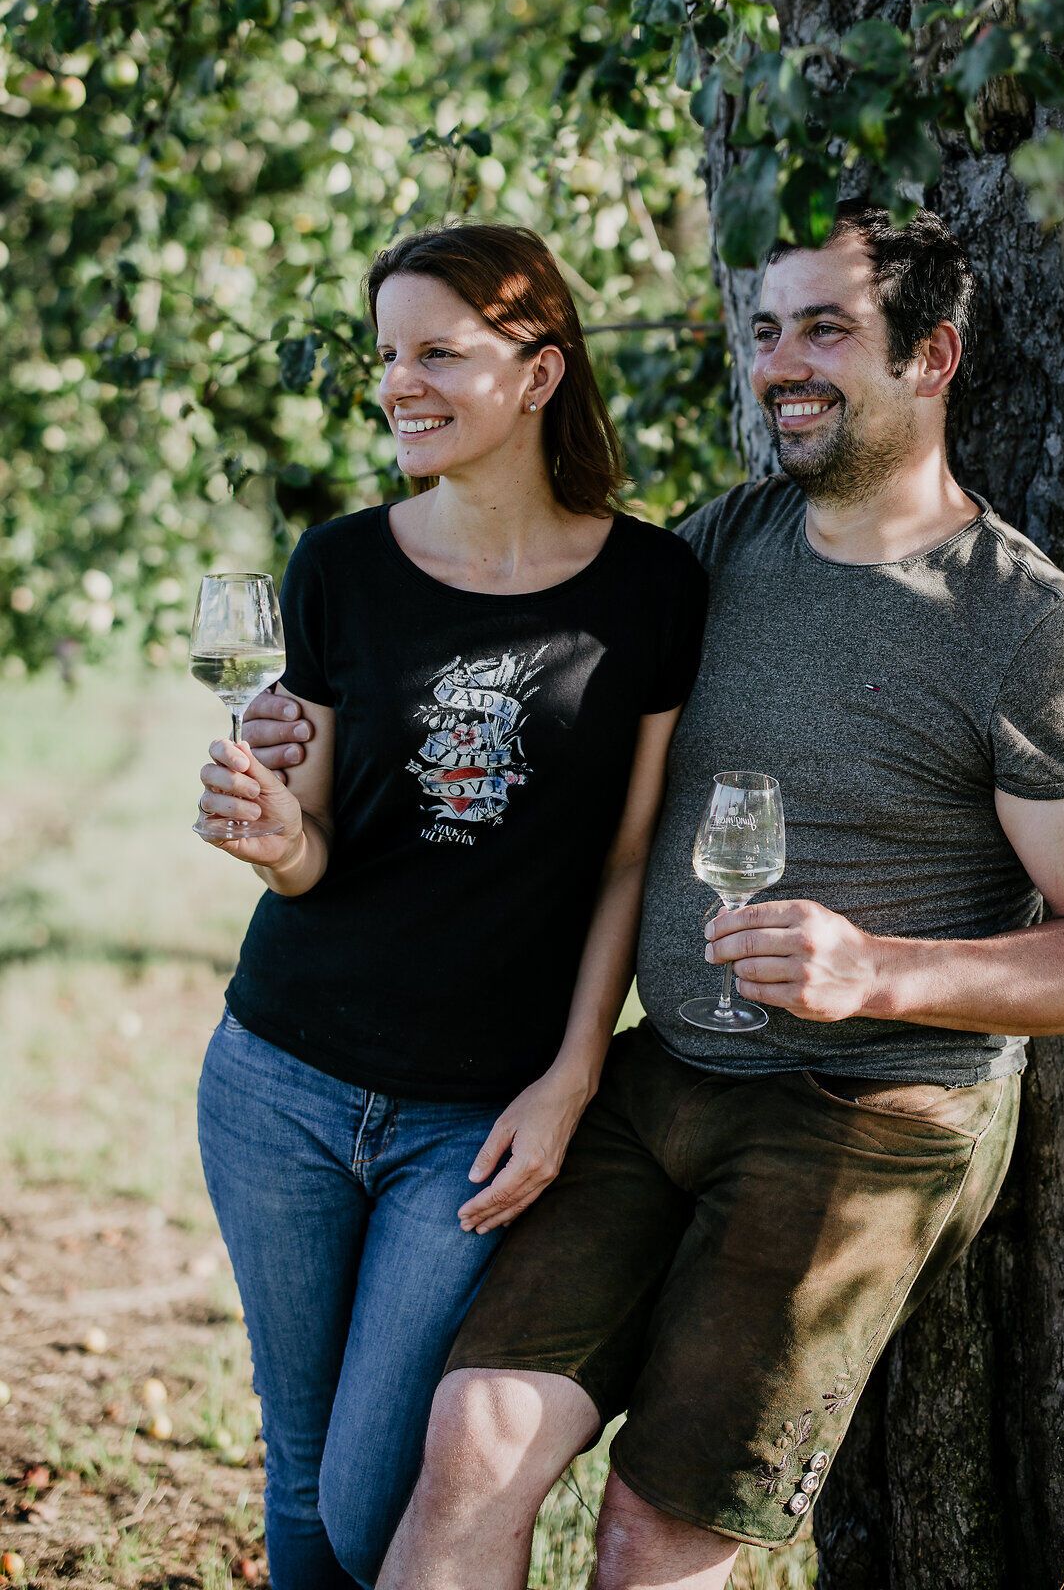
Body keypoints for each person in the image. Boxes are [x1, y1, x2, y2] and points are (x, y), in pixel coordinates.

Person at [247, 205, 1064, 1590]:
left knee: (648, 1542)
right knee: (469, 1440)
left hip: (862, 1116)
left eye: (824, 329)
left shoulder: (1021, 631)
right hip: (664, 1073)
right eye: (762, 329)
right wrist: (314, 715)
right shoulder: (719, 547)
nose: (778, 363)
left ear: (929, 357)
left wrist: (875, 970)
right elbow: (528, 663)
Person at [191, 222, 706, 1590]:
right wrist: (266, 834)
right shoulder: (339, 568)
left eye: (436, 353)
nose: (396, 385)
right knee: (300, 1468)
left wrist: (574, 1069)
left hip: (468, 1125)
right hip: (279, 1079)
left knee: (376, 1505)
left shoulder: (651, 587)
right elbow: (315, 856)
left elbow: (628, 851)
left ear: (537, 376)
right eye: (384, 356)